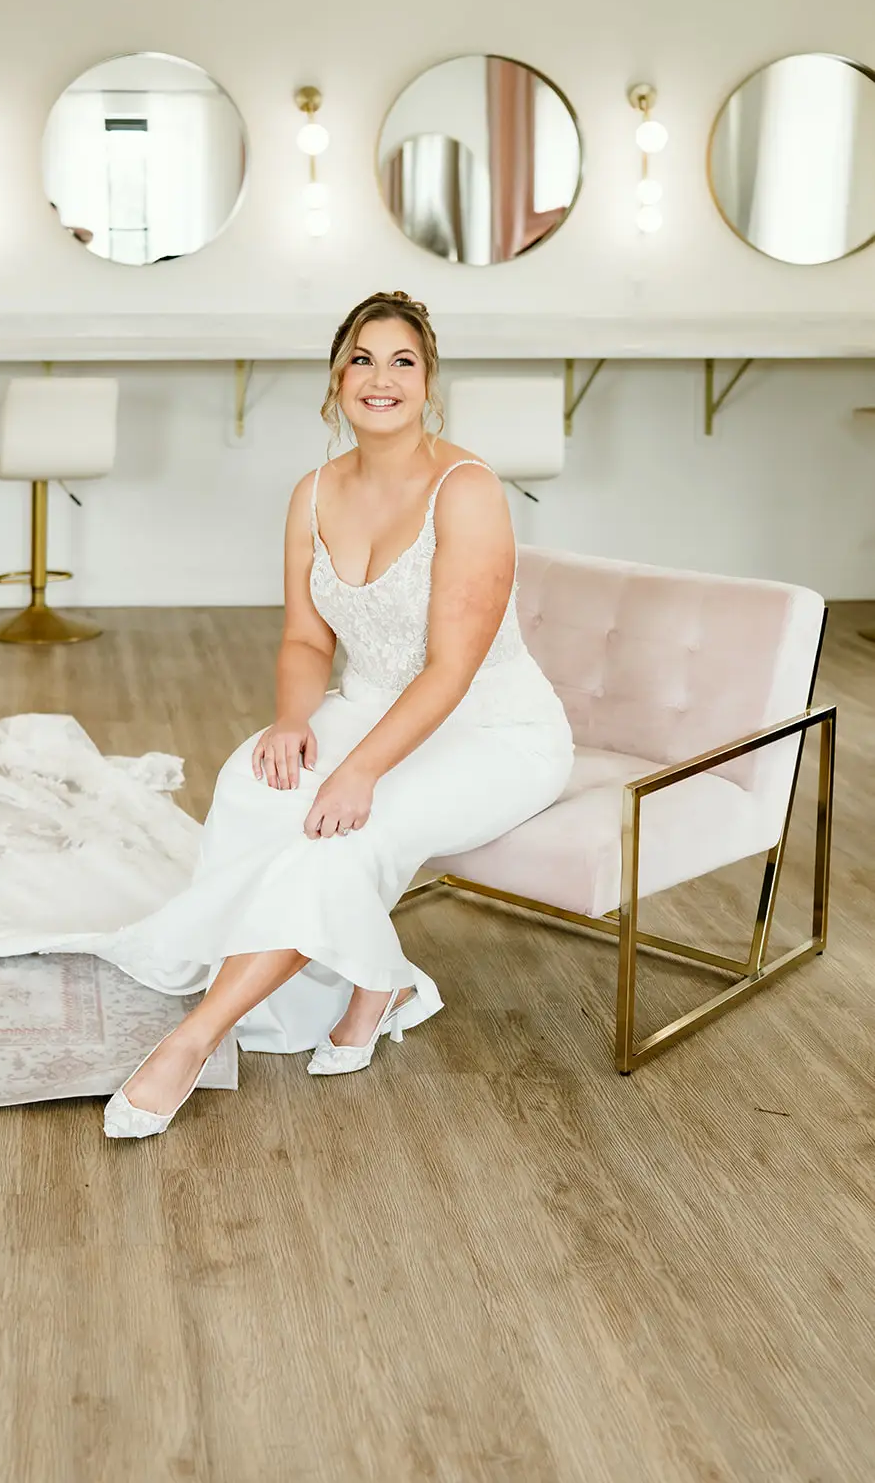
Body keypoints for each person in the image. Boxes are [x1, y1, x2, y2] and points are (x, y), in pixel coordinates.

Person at [102, 289, 574, 1138]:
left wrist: (358, 772)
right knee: (253, 781)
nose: (380, 378)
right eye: (362, 358)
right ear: (335, 379)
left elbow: (453, 669)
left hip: (492, 729)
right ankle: (378, 977)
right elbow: (303, 641)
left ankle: (192, 1041)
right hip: (369, 705)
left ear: (429, 384)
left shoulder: (465, 490)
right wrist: (293, 723)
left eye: (403, 361)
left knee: (342, 832)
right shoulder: (313, 491)